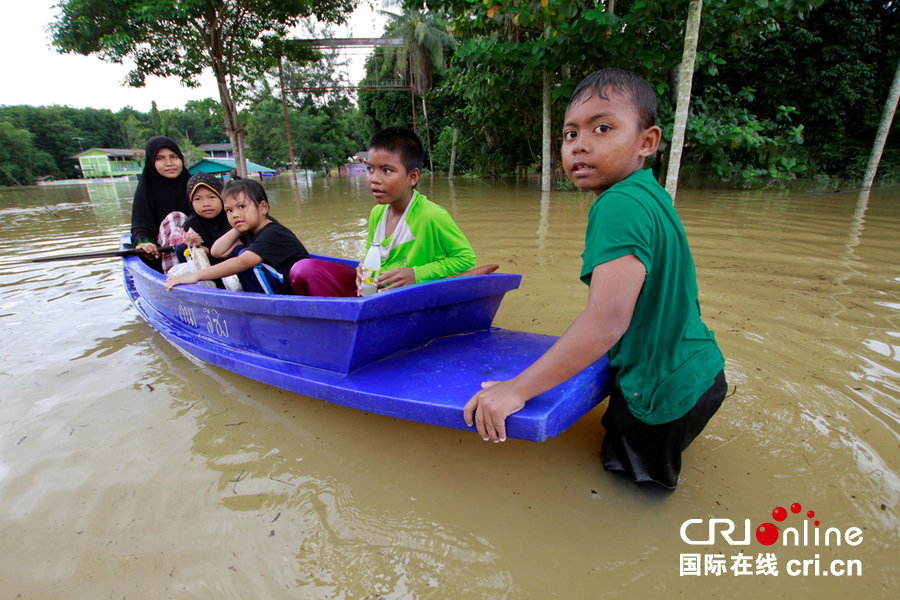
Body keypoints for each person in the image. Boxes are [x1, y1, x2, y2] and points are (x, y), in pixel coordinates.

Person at [463, 69, 727, 490]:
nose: (580, 144)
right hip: (695, 368)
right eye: (570, 134)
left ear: (647, 142)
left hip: (661, 393)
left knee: (629, 494)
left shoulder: (618, 205)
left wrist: (516, 389)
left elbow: (606, 322)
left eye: (602, 128)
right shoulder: (646, 192)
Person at [289, 126, 476, 297]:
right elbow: (371, 255)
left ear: (412, 177)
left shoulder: (431, 215)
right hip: (375, 290)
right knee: (303, 270)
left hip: (405, 296)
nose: (374, 179)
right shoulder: (377, 213)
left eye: (386, 170)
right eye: (370, 169)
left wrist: (416, 274)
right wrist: (361, 269)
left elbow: (466, 258)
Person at [164, 179, 310, 294]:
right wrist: (238, 228)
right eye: (229, 210)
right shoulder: (250, 231)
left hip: (295, 292)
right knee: (237, 251)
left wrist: (195, 276)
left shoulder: (273, 233)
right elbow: (217, 251)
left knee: (242, 258)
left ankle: (263, 305)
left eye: (241, 207)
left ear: (263, 207)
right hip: (282, 284)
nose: (235, 214)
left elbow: (242, 262)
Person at [131, 136, 192, 273]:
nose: (169, 163)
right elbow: (141, 227)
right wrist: (145, 244)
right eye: (160, 158)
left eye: (173, 157)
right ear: (151, 162)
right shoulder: (145, 192)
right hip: (165, 256)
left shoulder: (195, 187)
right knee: (175, 218)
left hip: (199, 247)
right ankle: (178, 276)